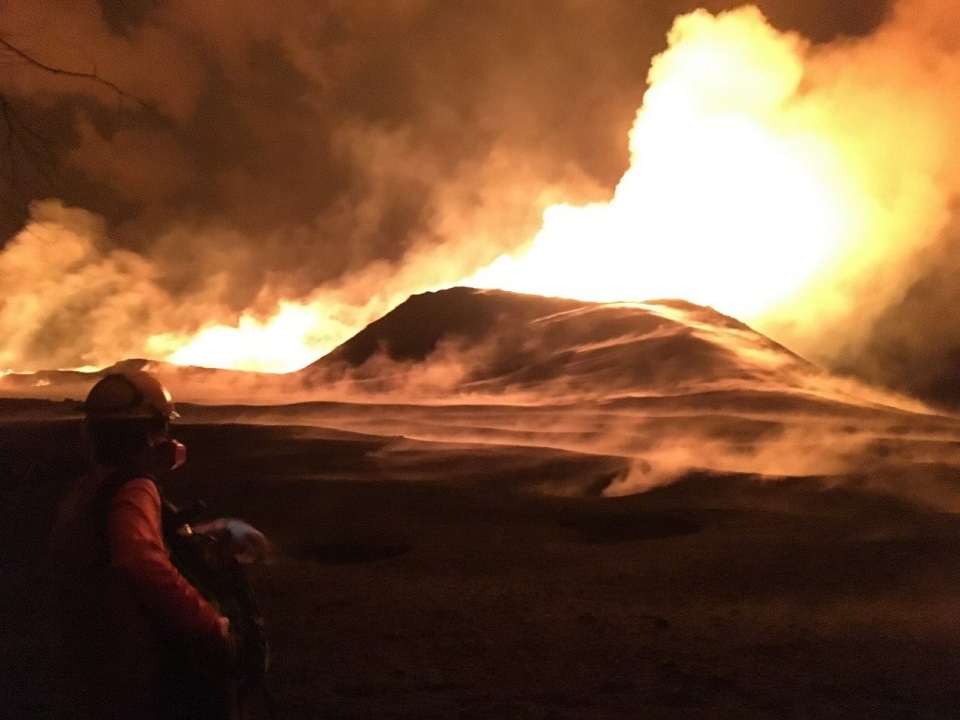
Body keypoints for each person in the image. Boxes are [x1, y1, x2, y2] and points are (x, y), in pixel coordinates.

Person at [52, 370, 242, 719]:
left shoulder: (86, 489)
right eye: (161, 427)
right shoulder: (135, 488)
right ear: (150, 432)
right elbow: (139, 560)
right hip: (134, 670)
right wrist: (209, 623)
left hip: (90, 663)